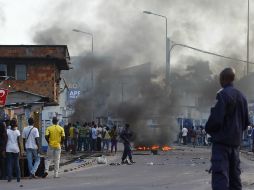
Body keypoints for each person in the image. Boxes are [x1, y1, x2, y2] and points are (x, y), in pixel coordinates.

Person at [205, 68, 249, 190]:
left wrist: (209, 129)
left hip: (222, 145)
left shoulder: (223, 94)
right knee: (235, 179)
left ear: (223, 79)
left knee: (220, 177)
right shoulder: (242, 97)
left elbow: (215, 120)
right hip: (235, 146)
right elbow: (246, 123)